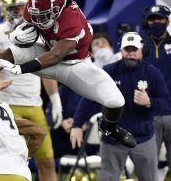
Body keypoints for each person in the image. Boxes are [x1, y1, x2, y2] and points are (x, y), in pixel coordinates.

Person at [0, 0, 136, 148]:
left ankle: (109, 127)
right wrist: (21, 34)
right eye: (35, 14)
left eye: (44, 15)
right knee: (8, 54)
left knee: (115, 101)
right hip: (44, 51)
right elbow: (28, 27)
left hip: (73, 66)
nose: (38, 19)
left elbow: (56, 56)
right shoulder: (34, 8)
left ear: (58, 8)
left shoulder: (72, 22)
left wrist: (22, 69)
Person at [0, 0, 61, 181]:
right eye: (13, 8)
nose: (17, 13)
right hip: (8, 103)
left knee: (47, 160)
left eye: (20, 8)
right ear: (3, 9)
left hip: (35, 104)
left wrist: (55, 99)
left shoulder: (40, 33)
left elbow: (46, 70)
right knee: (10, 162)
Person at [71, 32, 171, 181]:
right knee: (107, 178)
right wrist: (77, 125)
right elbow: (88, 98)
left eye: (134, 49)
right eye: (127, 49)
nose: (130, 54)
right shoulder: (108, 71)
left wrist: (149, 102)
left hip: (143, 137)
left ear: (142, 50)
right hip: (113, 139)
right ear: (121, 50)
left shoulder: (153, 73)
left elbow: (166, 103)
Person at [142, 5, 171, 173]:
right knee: (148, 164)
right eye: (152, 19)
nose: (155, 22)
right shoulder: (138, 47)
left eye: (159, 18)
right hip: (148, 113)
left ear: (167, 20)